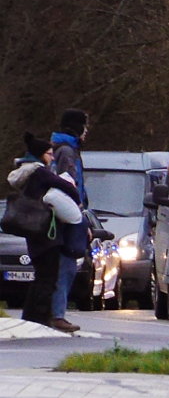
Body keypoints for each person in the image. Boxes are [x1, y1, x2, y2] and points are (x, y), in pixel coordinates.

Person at [7, 132, 81, 328]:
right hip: (46, 233)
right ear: (40, 155)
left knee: (41, 275)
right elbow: (66, 186)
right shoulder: (40, 172)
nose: (52, 157)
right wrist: (77, 199)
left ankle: (31, 317)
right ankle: (39, 318)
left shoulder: (26, 173)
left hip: (34, 233)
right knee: (47, 277)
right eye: (49, 153)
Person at [49, 108, 89, 333]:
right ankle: (57, 314)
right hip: (67, 216)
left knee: (67, 265)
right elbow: (69, 183)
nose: (86, 131)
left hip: (68, 214)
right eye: (84, 125)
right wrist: (78, 214)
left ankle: (55, 312)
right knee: (66, 265)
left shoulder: (65, 149)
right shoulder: (67, 152)